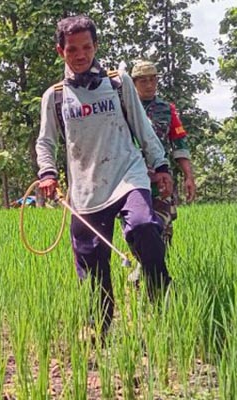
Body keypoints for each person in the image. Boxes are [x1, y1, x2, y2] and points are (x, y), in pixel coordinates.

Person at [35, 15, 173, 334]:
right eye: (72, 49)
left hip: (127, 173)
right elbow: (45, 141)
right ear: (61, 52)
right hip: (86, 190)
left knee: (143, 227)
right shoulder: (54, 96)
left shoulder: (117, 81)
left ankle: (161, 294)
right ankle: (102, 331)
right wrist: (48, 172)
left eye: (86, 47)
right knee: (92, 264)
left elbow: (142, 126)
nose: (80, 55)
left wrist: (161, 165)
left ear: (96, 47)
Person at [130, 60, 196, 254]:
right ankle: (140, 273)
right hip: (133, 178)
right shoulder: (124, 109)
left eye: (153, 80)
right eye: (143, 81)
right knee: (136, 229)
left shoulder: (167, 109)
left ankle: (157, 278)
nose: (149, 85)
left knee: (162, 229)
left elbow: (179, 144)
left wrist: (189, 177)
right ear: (134, 83)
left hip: (161, 179)